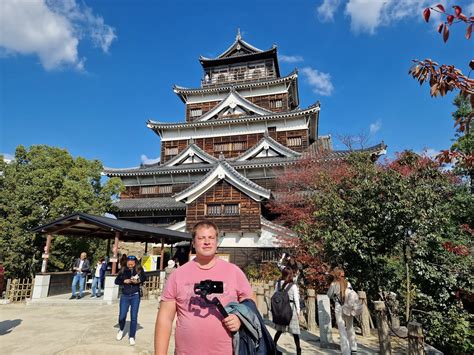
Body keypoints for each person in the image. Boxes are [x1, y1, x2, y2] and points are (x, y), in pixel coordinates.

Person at [155, 221, 253, 355]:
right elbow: (165, 319)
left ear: (217, 242)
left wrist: (240, 318)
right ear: (194, 243)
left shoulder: (234, 272)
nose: (207, 242)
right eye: (201, 238)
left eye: (211, 238)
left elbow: (251, 302)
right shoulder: (177, 275)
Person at [114, 255, 146, 346]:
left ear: (135, 263)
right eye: (129, 262)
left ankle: (132, 336)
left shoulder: (139, 269)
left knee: (134, 317)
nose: (130, 264)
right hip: (125, 296)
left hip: (135, 296)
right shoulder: (123, 270)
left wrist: (138, 281)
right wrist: (124, 281)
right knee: (122, 316)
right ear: (127, 262)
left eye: (132, 263)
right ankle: (121, 329)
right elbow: (116, 281)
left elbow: (144, 278)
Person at [327, 267, 357, 355]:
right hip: (349, 306)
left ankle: (346, 351)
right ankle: (354, 348)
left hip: (339, 306)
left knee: (342, 329)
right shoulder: (348, 283)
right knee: (350, 327)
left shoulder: (333, 284)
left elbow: (329, 295)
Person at [273, 267, 301, 355]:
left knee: (279, 330)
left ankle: (273, 346)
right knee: (295, 332)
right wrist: (298, 311)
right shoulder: (293, 286)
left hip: (281, 309)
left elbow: (275, 295)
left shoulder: (277, 284)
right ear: (291, 275)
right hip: (291, 309)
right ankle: (298, 351)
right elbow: (296, 299)